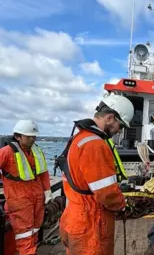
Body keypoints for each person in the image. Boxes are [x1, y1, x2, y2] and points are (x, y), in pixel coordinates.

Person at [58, 94, 134, 255]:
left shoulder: (79, 138)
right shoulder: (95, 145)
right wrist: (122, 204)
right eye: (120, 126)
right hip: (91, 224)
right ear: (110, 118)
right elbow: (106, 193)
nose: (119, 131)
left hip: (73, 217)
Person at [0, 120, 52, 255]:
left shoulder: (37, 151)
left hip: (37, 197)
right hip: (19, 199)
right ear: (18, 136)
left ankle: (31, 250)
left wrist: (47, 191)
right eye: (28, 136)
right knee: (24, 233)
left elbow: (44, 172)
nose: (32, 139)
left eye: (34, 136)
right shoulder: (6, 152)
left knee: (35, 228)